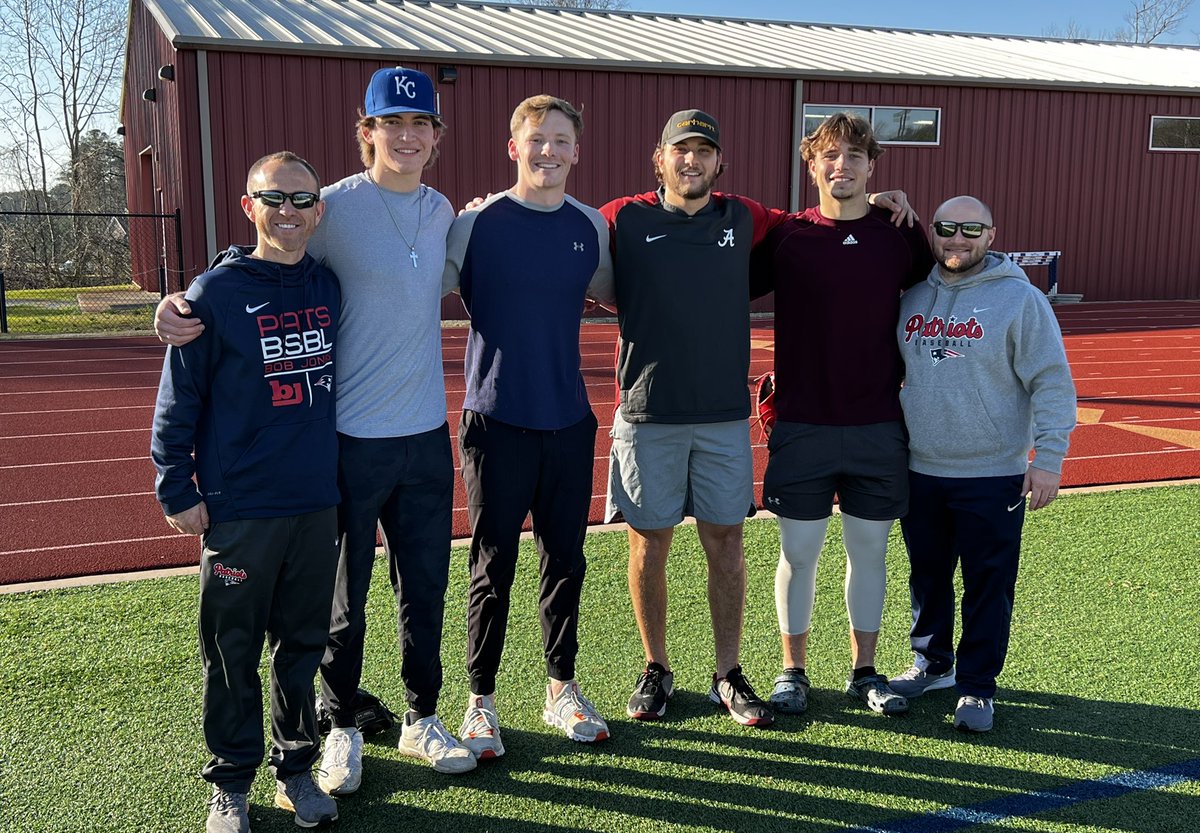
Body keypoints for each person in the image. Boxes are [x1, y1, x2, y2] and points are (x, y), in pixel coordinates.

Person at [154, 66, 476, 785]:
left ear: (436, 136)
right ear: (366, 133)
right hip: (350, 442)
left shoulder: (441, 209)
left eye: (420, 124)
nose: (407, 135)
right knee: (343, 597)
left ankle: (423, 716)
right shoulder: (330, 206)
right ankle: (339, 724)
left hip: (425, 436)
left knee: (423, 587)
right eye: (391, 123)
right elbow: (267, 255)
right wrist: (185, 299)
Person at [600, 110, 913, 727]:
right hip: (646, 410)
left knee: (727, 544)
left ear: (720, 164)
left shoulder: (747, 217)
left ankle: (727, 673)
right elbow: (554, 223)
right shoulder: (620, 217)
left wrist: (875, 198)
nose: (692, 161)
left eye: (704, 152)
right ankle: (656, 669)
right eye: (680, 150)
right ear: (659, 158)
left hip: (721, 417)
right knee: (648, 545)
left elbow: (823, 213)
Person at [151, 151, 341, 833]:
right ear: (248, 205)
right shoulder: (213, 294)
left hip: (316, 501)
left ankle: (295, 769)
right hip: (241, 508)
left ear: (319, 210)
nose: (288, 213)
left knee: (302, 646)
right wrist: (176, 484)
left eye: (301, 200)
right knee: (232, 651)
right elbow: (179, 398)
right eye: (275, 199)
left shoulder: (328, 285)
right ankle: (231, 783)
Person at [441, 95, 615, 757]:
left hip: (569, 422)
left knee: (564, 563)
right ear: (513, 148)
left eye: (561, 140)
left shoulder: (589, 227)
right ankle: (480, 701)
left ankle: (560, 688)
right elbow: (411, 290)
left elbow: (629, 290)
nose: (548, 151)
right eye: (536, 140)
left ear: (577, 149)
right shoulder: (475, 224)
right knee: (493, 566)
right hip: (496, 422)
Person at [750, 113, 933, 718]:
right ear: (812, 165)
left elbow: (953, 279)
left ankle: (864, 672)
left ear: (872, 167)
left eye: (855, 156)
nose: (842, 166)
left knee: (869, 554)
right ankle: (792, 671)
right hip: (803, 424)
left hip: (879, 423)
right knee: (797, 554)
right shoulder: (785, 237)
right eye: (830, 155)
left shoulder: (899, 235)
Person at [888, 195, 1076, 733]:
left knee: (988, 584)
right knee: (927, 578)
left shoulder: (1020, 300)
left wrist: (1049, 459)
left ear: (991, 235)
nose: (958, 239)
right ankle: (932, 663)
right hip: (920, 468)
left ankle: (975, 687)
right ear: (934, 234)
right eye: (947, 228)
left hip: (992, 473)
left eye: (972, 229)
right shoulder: (913, 297)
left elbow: (1051, 382)